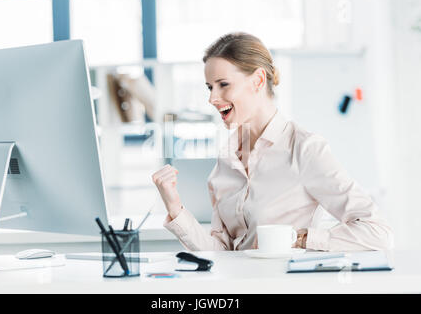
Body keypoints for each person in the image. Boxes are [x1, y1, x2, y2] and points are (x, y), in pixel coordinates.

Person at [152, 32, 393, 252]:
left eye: (223, 85)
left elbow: (377, 233)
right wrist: (175, 207)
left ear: (257, 80)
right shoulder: (225, 161)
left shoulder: (304, 149)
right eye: (210, 87)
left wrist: (299, 239)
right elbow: (221, 253)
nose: (213, 98)